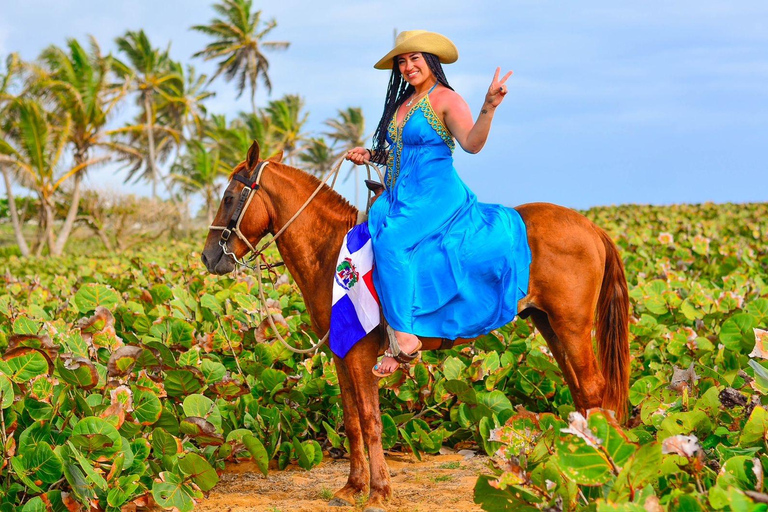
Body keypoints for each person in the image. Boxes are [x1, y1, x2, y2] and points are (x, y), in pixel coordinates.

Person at [345, 30, 531, 377]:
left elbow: (472, 144)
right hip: (402, 194)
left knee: (392, 241)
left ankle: (404, 338)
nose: (407, 66)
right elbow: (400, 152)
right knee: (370, 233)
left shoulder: (445, 98)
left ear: (431, 60)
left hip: (437, 194)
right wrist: (371, 154)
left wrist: (488, 108)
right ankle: (383, 326)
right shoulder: (402, 104)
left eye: (415, 58)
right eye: (402, 61)